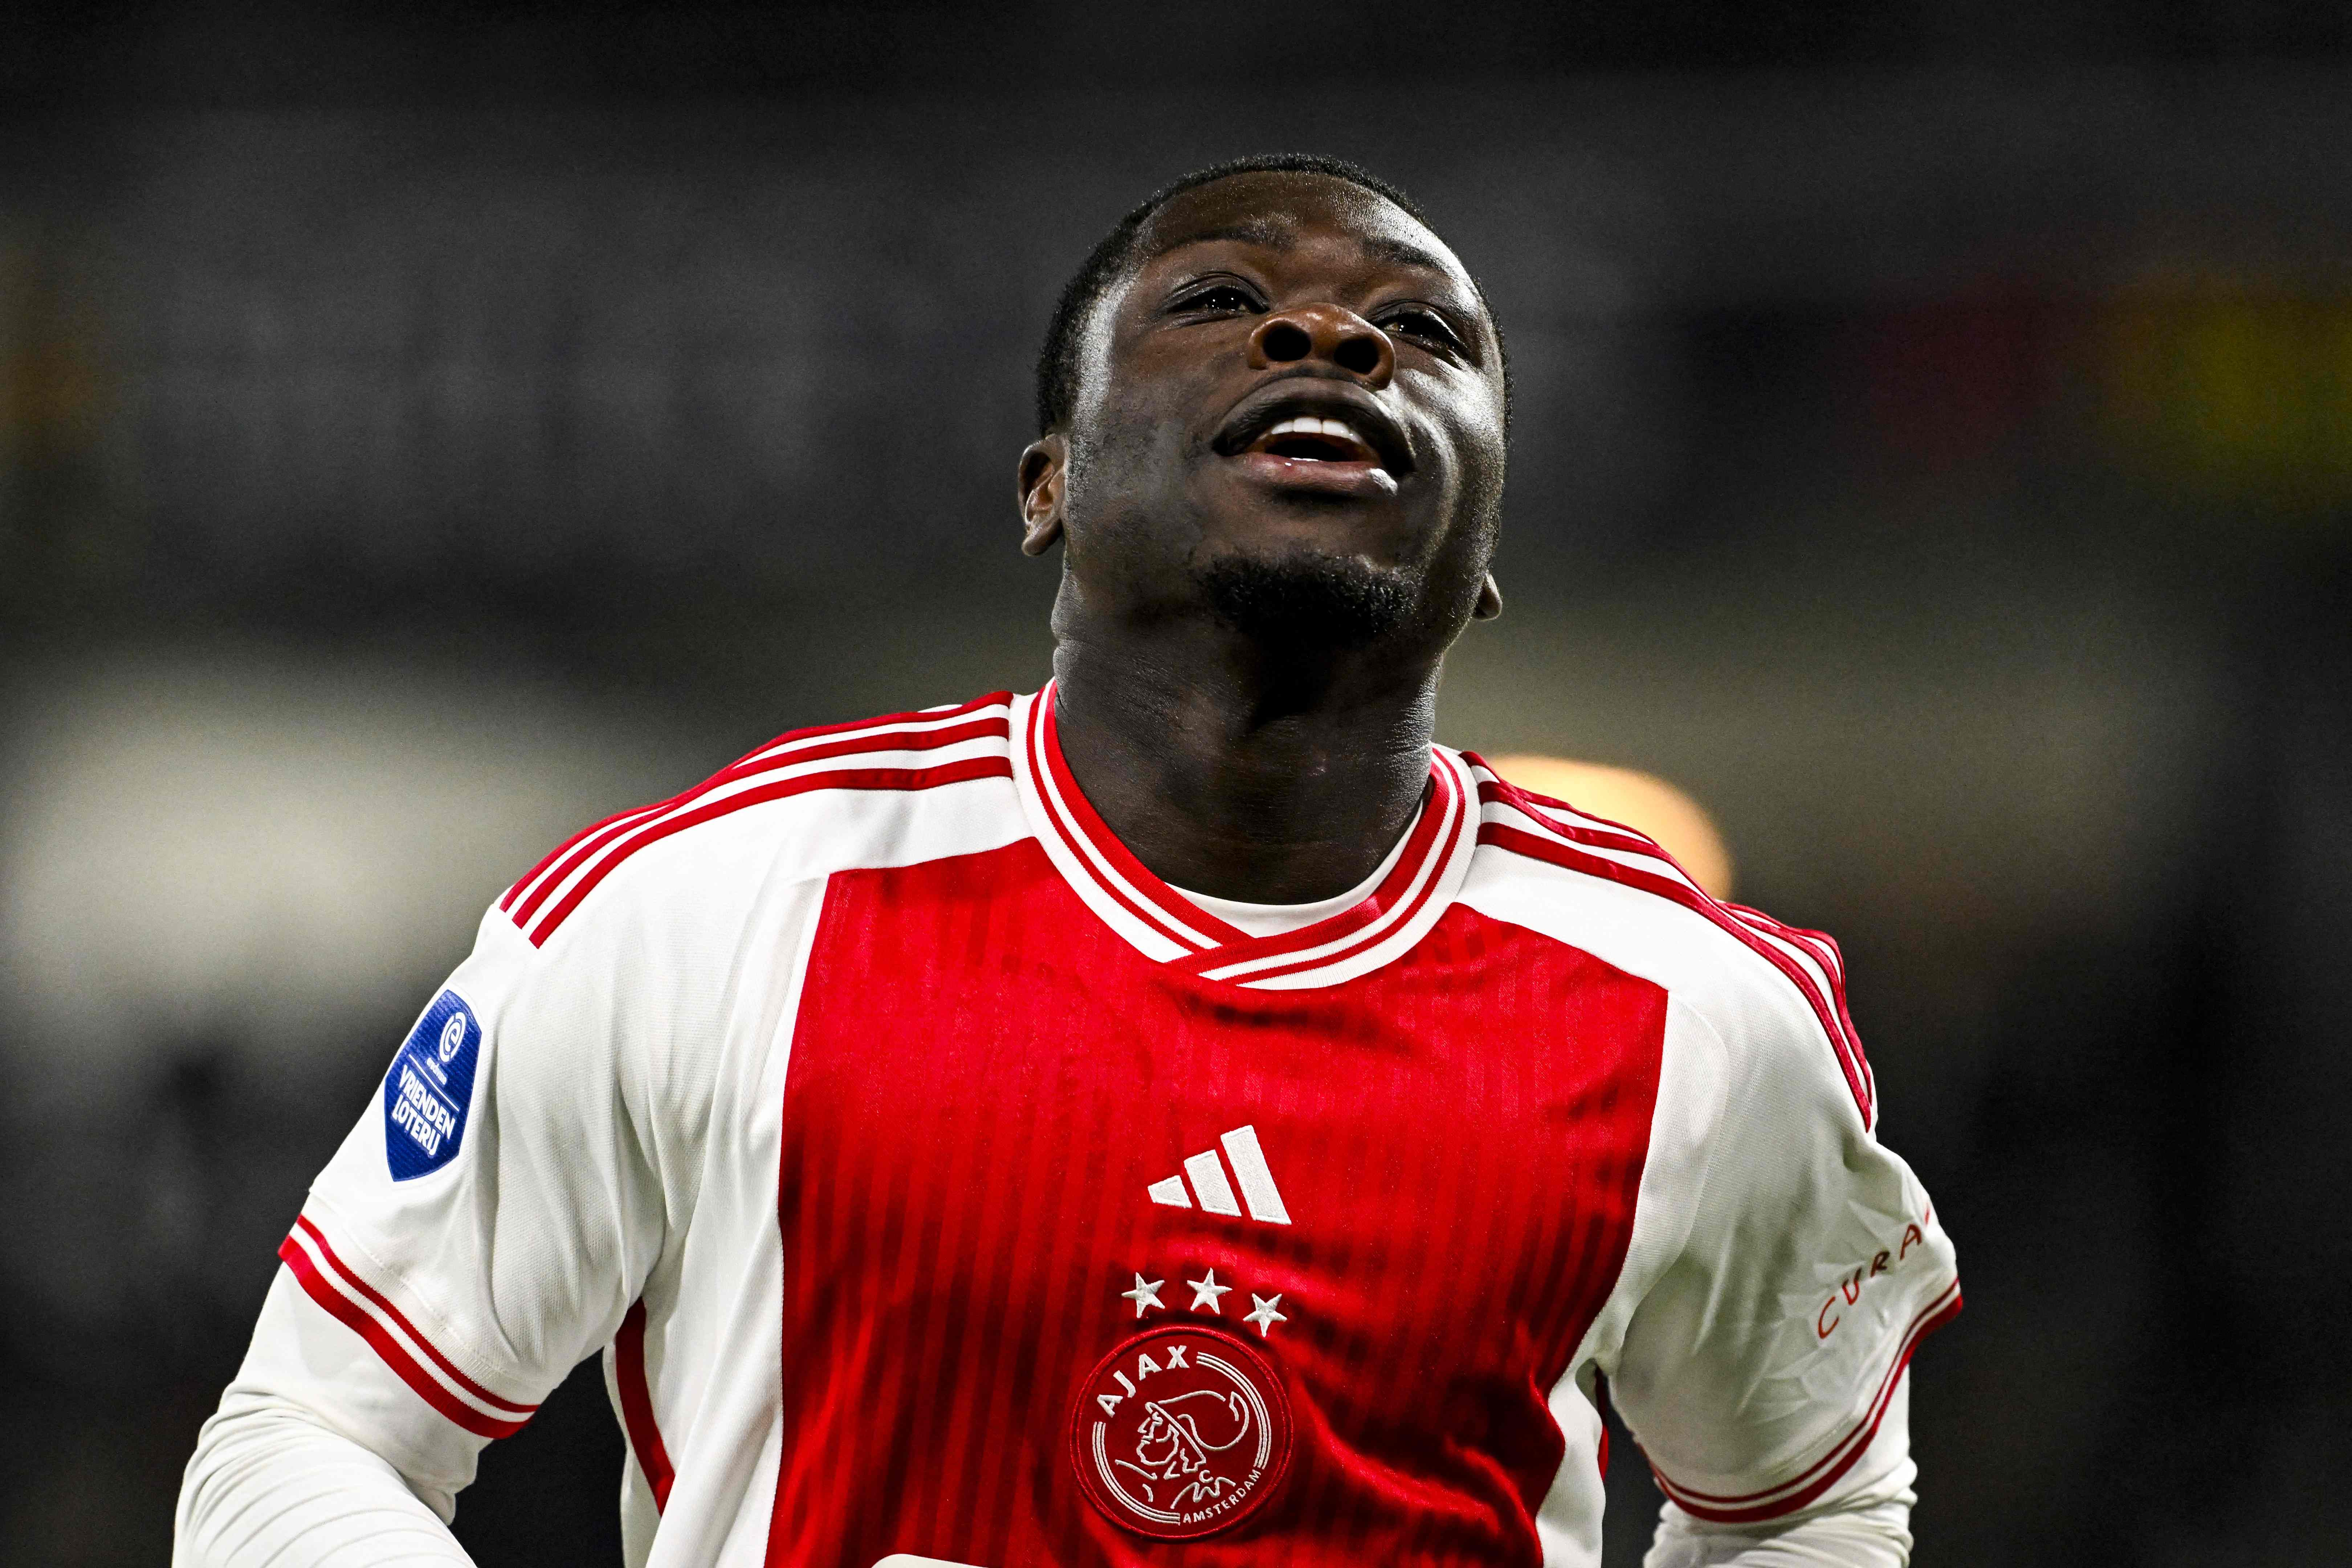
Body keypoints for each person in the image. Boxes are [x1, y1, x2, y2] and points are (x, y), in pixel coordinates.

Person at [175, 155, 1958, 1568]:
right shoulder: (706, 911)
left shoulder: (1700, 1013)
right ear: (1045, 484)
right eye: (1223, 303)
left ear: (1483, 551)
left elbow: (1805, 1502)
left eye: (1423, 333)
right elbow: (308, 1434)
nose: (1329, 340)